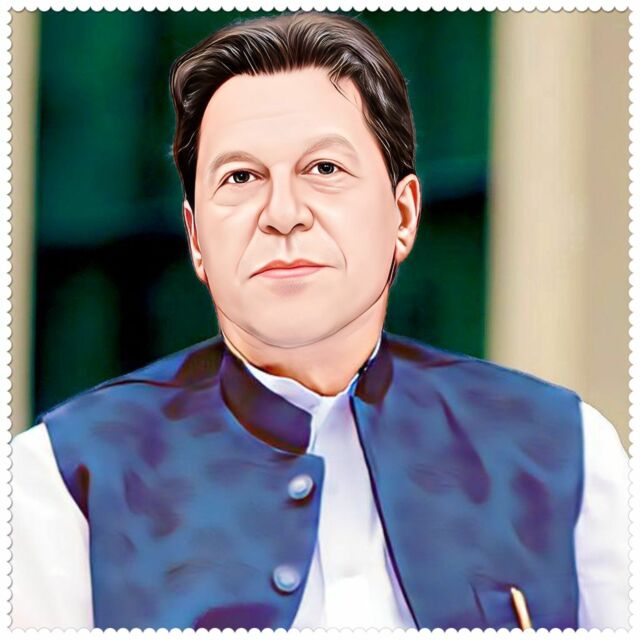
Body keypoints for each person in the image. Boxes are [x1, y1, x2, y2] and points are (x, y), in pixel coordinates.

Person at [10, 10, 629, 631]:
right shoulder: (62, 477)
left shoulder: (566, 450)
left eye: (324, 169)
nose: (283, 213)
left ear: (403, 215)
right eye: (241, 177)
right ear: (196, 238)